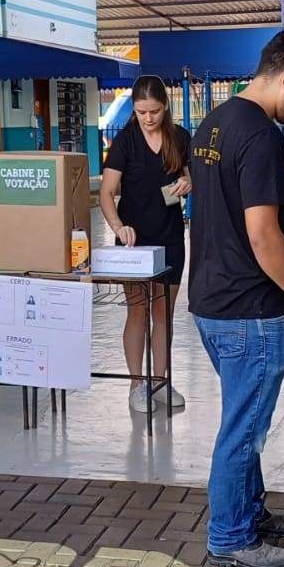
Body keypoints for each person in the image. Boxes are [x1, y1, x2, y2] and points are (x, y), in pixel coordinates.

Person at [188, 28, 284, 567]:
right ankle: (230, 539)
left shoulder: (215, 121)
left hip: (210, 300)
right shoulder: (263, 135)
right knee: (245, 428)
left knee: (241, 418)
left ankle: (248, 513)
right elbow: (262, 233)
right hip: (248, 309)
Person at [99, 75, 191, 413]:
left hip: (170, 237)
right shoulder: (125, 142)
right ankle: (137, 384)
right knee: (137, 310)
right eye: (141, 112)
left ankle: (160, 381)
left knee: (163, 313)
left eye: (154, 112)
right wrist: (119, 227)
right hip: (133, 243)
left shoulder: (179, 137)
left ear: (165, 108)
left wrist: (187, 181)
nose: (148, 118)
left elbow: (190, 175)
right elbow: (106, 194)